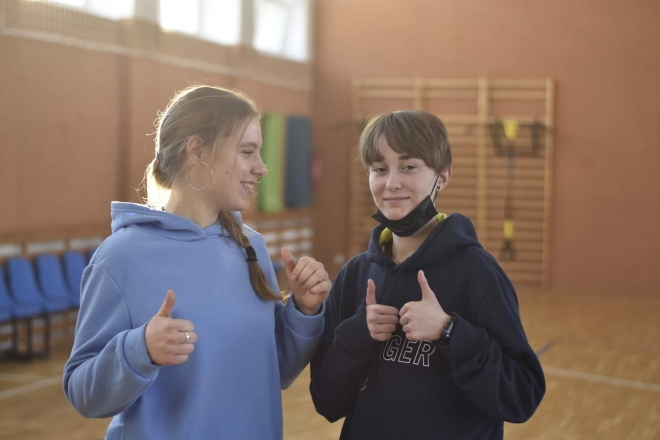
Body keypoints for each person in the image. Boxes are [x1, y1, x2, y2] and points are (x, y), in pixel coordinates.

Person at [63, 85, 331, 440]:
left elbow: (275, 369)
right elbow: (83, 394)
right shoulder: (121, 257)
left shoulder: (250, 246)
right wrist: (140, 349)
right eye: (247, 151)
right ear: (197, 151)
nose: (261, 168)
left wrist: (304, 309)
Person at [310, 110, 545, 439]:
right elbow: (326, 400)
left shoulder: (477, 273)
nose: (391, 183)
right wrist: (357, 336)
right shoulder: (355, 275)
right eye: (379, 169)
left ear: (443, 176)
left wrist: (450, 331)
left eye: (409, 166)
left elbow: (521, 395)